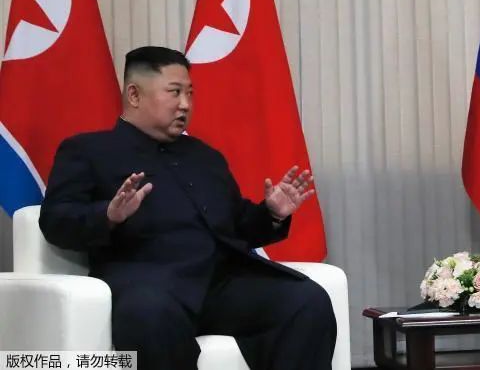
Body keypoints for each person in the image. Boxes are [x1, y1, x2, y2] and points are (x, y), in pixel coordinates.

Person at [40, 46, 336, 370]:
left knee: (306, 301)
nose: (185, 104)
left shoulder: (205, 156)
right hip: (149, 285)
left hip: (220, 284)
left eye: (190, 93)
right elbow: (55, 220)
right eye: (174, 92)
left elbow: (237, 226)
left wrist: (272, 213)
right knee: (148, 315)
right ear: (134, 95)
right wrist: (108, 216)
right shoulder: (88, 150)